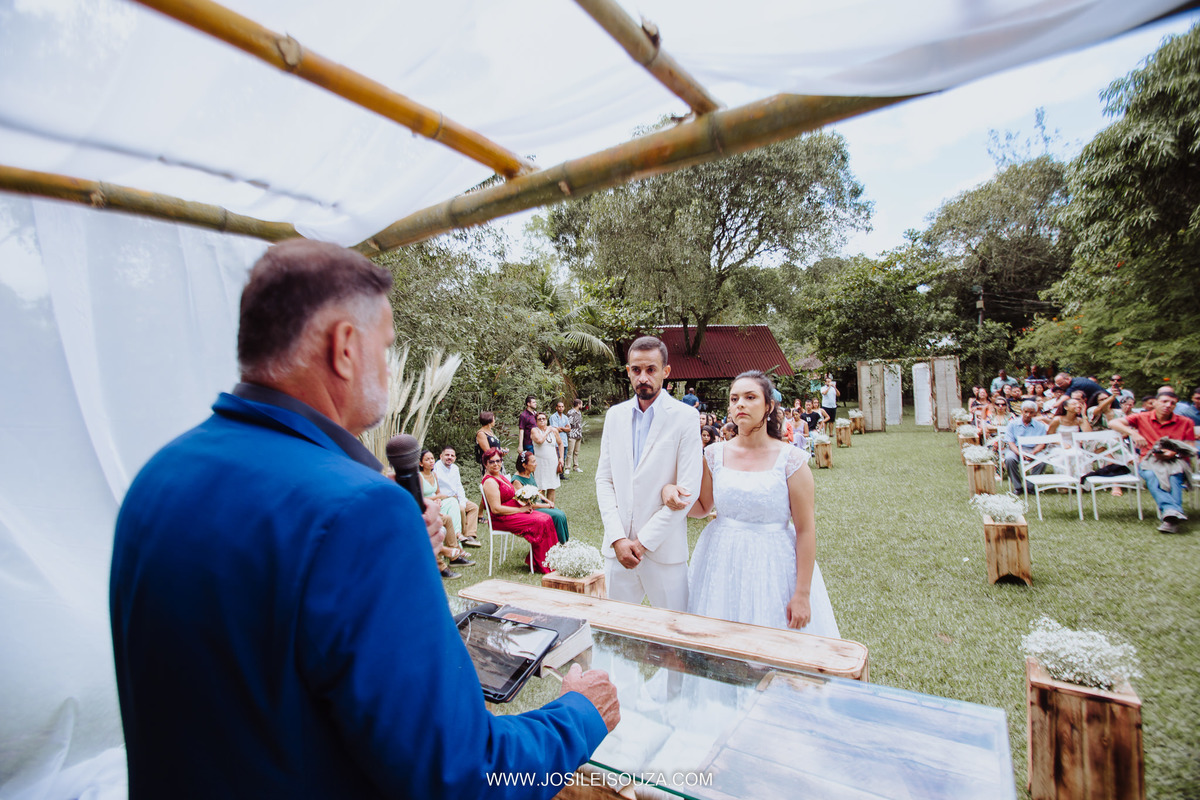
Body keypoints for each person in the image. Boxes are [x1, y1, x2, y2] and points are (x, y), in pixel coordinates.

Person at [109, 240, 617, 798]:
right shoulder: (361, 511)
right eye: (387, 345)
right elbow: (463, 775)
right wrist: (579, 713)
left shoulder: (157, 477)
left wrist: (396, 563)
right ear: (346, 346)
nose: (389, 367)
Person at [678, 371, 838, 635]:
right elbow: (702, 507)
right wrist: (670, 492)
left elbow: (806, 530)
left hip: (774, 565)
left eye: (750, 397)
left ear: (768, 405)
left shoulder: (792, 461)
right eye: (734, 398)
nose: (740, 403)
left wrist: (802, 594)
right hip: (721, 561)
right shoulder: (714, 454)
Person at [595, 335, 702, 611]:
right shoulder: (614, 416)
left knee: (674, 642)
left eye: (651, 370)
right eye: (636, 370)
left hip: (664, 551)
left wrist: (642, 543)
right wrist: (618, 538)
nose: (643, 377)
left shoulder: (685, 417)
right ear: (628, 371)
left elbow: (689, 491)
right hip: (617, 551)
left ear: (665, 372)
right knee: (615, 638)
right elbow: (604, 480)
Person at [1109, 388, 1197, 533]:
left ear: (1175, 406)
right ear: (1155, 403)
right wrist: (1133, 433)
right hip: (1150, 460)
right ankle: (1173, 512)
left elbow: (1191, 447)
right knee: (1151, 474)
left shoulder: (1185, 422)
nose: (1168, 405)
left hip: (1176, 460)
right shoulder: (1142, 417)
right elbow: (1113, 423)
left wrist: (1173, 452)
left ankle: (1170, 516)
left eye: (1172, 403)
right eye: (1164, 402)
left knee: (1173, 475)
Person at [481, 447, 560, 571]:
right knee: (540, 521)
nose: (496, 464)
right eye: (492, 462)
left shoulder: (499, 476)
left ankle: (551, 558)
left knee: (547, 518)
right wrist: (520, 510)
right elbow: (496, 509)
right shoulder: (490, 482)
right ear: (485, 464)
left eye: (498, 460)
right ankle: (541, 563)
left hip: (512, 510)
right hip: (502, 518)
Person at [417, 448, 475, 578]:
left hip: (435, 505)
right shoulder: (418, 477)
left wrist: (438, 499)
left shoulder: (434, 475)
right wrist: (436, 499)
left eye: (432, 458)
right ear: (421, 463)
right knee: (451, 504)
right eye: (427, 459)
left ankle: (455, 555)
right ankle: (457, 543)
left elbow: (438, 493)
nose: (431, 461)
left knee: (450, 510)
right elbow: (419, 498)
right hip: (424, 508)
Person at [514, 451, 571, 543]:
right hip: (529, 510)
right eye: (533, 462)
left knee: (561, 514)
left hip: (538, 505)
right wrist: (547, 506)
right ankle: (560, 544)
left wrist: (547, 500)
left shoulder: (529, 474)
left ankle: (564, 542)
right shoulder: (517, 481)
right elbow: (527, 504)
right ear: (524, 465)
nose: (536, 464)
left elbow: (536, 491)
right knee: (557, 516)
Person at [433, 445, 482, 548]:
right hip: (446, 500)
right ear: (441, 456)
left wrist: (462, 501)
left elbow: (459, 487)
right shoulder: (435, 469)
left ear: (455, 458)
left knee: (473, 507)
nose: (449, 457)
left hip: (456, 497)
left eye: (452, 455)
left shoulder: (455, 468)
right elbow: (434, 490)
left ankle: (470, 535)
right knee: (460, 509)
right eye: (447, 455)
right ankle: (461, 535)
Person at [1003, 401, 1049, 494]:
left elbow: (1042, 443)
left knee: (1043, 460)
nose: (1028, 415)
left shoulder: (1040, 426)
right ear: (1021, 411)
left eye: (1031, 412)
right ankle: (1018, 487)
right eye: (1026, 411)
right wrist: (1020, 453)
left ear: (1035, 413)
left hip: (1033, 449)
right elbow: (1010, 442)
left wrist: (1033, 453)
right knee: (1009, 459)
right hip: (1016, 449)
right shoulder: (1012, 424)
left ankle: (1030, 486)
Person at [530, 411, 562, 503]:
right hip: (540, 463)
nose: (542, 421)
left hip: (552, 462)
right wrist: (547, 431)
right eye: (539, 419)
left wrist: (560, 458)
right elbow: (539, 440)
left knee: (552, 486)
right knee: (541, 487)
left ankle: (551, 507)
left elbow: (560, 444)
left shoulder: (554, 431)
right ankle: (542, 509)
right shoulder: (534, 430)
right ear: (536, 421)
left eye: (544, 419)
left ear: (546, 420)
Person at [549, 400, 572, 478]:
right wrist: (564, 428)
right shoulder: (553, 417)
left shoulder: (565, 417)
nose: (561, 408)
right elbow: (555, 429)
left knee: (563, 457)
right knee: (556, 457)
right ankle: (555, 474)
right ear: (556, 408)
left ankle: (561, 474)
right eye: (559, 406)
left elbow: (569, 429)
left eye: (562, 407)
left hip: (564, 441)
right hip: (556, 441)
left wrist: (561, 428)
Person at [565, 398, 585, 472]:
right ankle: (567, 467)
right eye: (581, 404)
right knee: (570, 452)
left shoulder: (579, 412)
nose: (582, 405)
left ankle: (576, 466)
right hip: (572, 435)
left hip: (578, 434)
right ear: (578, 404)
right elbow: (568, 424)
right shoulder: (570, 412)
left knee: (576, 452)